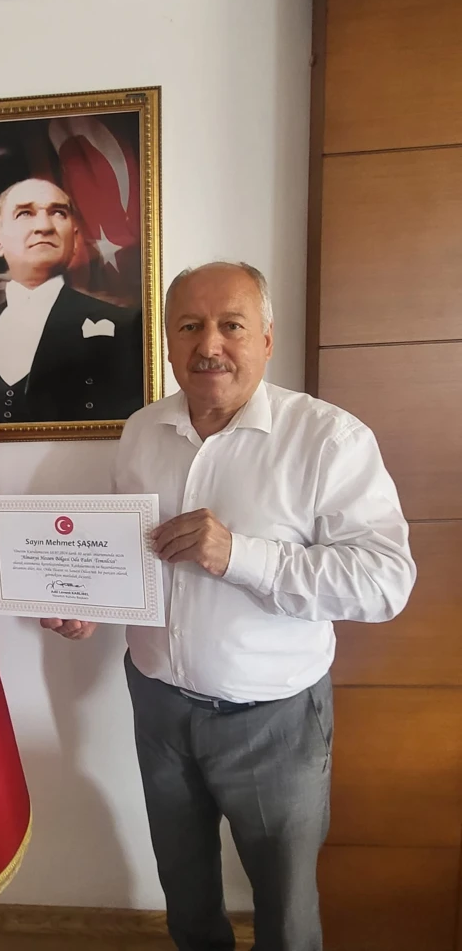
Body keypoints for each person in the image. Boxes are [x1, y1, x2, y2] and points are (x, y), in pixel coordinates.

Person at [41, 262, 416, 951]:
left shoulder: (328, 440)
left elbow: (386, 581)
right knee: (185, 899)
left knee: (286, 916)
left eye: (231, 325)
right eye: (189, 326)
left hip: (274, 723)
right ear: (168, 342)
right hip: (158, 706)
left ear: (266, 339)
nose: (209, 344)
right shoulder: (141, 431)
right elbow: (128, 551)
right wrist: (89, 601)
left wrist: (239, 555)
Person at [0, 178, 144, 425]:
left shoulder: (126, 328)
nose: (44, 227)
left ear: (75, 239)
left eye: (58, 213)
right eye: (25, 213)